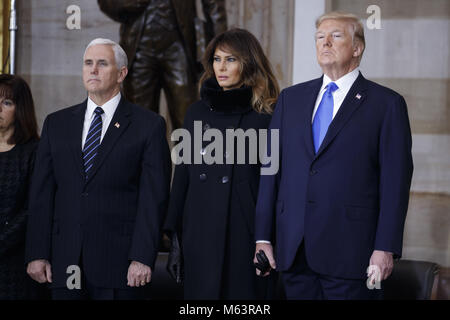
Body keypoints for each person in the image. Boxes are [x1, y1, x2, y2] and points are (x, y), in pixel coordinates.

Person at [254, 12, 413, 300]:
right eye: (319, 37)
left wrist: (385, 247)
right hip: (294, 251)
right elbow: (271, 171)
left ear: (357, 48)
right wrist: (263, 238)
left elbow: (395, 183)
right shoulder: (290, 100)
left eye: (336, 36)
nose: (325, 42)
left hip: (352, 254)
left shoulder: (386, 104)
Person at [25, 38, 171, 300]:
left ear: (121, 74)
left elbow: (153, 199)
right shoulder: (56, 124)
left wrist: (141, 257)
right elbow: (41, 195)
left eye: (102, 64)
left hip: (121, 266)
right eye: (88, 63)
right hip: (65, 262)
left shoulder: (148, 125)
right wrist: (37, 253)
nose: (92, 70)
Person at [164, 28, 280, 299]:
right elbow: (183, 177)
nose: (221, 67)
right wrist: (176, 240)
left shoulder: (267, 116)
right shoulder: (196, 113)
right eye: (217, 59)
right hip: (200, 234)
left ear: (248, 64)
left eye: (231, 59)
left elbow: (274, 185)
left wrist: (267, 238)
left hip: (245, 234)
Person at [97, 0, 227, 129]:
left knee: (187, 122)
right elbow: (107, 3)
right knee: (139, 126)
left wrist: (221, 49)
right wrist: (129, 3)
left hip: (179, 47)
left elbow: (213, 5)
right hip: (139, 51)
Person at [0, 74, 48, 300]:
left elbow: (33, 208)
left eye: (6, 102)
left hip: (16, 262)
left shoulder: (34, 151)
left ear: (20, 109)